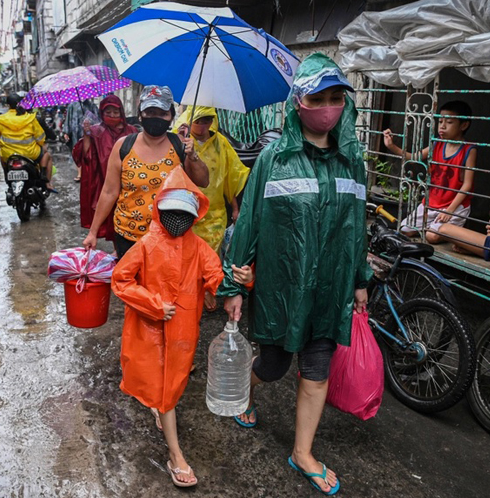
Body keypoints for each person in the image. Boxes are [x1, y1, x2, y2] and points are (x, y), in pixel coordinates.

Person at [219, 53, 372, 496]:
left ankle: (302, 452)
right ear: (298, 103)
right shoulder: (274, 158)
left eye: (335, 98)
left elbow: (357, 227)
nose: (327, 106)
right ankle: (246, 393)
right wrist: (234, 285)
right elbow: (248, 222)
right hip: (280, 286)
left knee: (317, 370)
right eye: (317, 98)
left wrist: (360, 279)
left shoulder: (352, 161)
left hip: (331, 287)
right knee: (272, 365)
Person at [111, 169, 223, 488]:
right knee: (164, 394)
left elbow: (216, 276)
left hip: (182, 333)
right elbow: (121, 279)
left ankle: (160, 412)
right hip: (148, 330)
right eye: (171, 213)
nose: (177, 221)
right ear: (160, 210)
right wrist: (153, 304)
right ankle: (176, 455)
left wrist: (237, 282)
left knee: (169, 386)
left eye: (184, 215)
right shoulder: (146, 245)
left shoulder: (198, 248)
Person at [82, 85, 209, 257]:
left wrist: (193, 156)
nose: (155, 118)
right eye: (150, 113)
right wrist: (93, 232)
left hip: (168, 239)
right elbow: (109, 192)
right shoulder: (123, 146)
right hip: (127, 237)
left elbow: (203, 182)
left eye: (162, 113)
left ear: (171, 116)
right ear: (140, 114)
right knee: (127, 283)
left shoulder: (180, 145)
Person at [172, 105, 250, 310]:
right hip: (186, 209)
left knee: (211, 254)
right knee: (187, 253)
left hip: (214, 212)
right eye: (198, 120)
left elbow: (229, 177)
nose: (203, 125)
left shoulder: (220, 144)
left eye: (207, 119)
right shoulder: (178, 139)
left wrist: (235, 207)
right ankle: (191, 289)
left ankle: (207, 288)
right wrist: (182, 144)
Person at [383, 101, 477, 244]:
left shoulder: (469, 150)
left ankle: (443, 227)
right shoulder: (436, 143)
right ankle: (433, 225)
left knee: (431, 237)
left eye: (449, 122)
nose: (442, 126)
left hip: (455, 205)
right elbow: (414, 157)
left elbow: (467, 185)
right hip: (432, 202)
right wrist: (392, 146)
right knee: (405, 229)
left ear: (464, 125)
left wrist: (449, 211)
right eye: (440, 121)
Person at [72, 95, 138, 247]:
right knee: (111, 215)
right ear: (102, 113)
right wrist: (87, 135)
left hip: (130, 181)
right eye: (108, 112)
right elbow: (86, 157)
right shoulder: (97, 131)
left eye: (116, 112)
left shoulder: (132, 131)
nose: (113, 116)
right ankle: (117, 248)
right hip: (105, 180)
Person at [0, 93, 55, 191]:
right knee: (47, 155)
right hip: (30, 153)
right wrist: (42, 145)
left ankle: (6, 174)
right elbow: (40, 137)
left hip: (9, 154)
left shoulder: (1, 121)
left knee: (1, 156)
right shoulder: (30, 118)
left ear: (8, 105)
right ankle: (46, 181)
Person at [64, 99, 98, 182]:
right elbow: (68, 118)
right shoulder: (72, 105)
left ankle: (89, 172)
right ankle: (80, 173)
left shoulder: (92, 105)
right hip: (76, 132)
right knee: (78, 151)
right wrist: (66, 132)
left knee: (89, 151)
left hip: (88, 132)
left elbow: (97, 119)